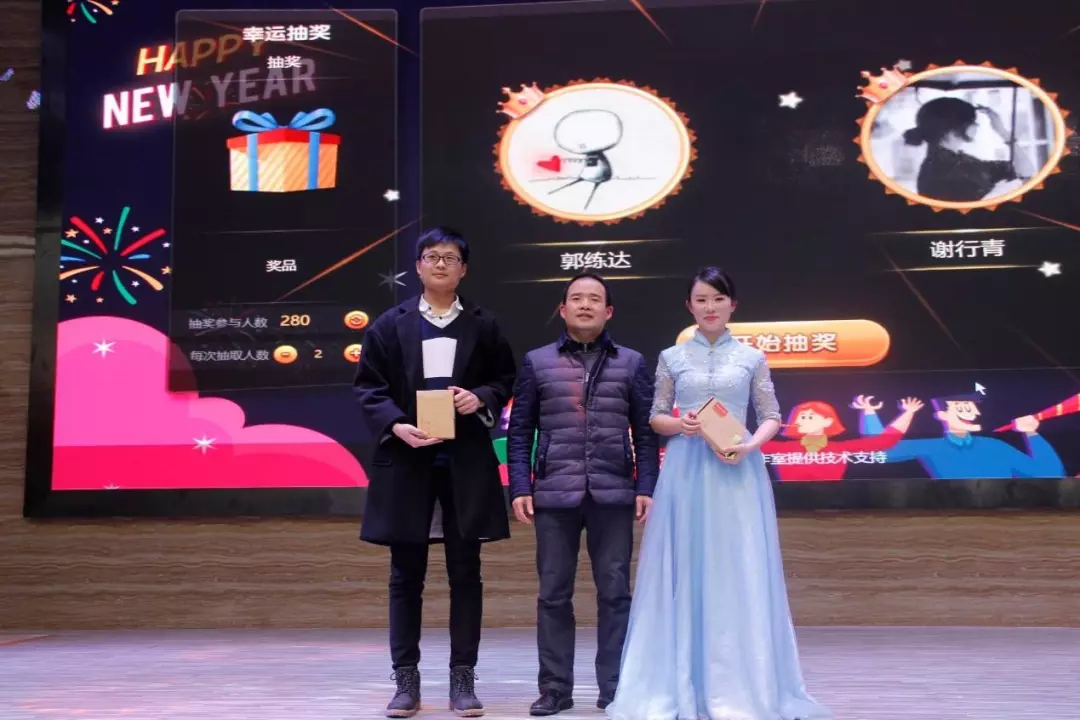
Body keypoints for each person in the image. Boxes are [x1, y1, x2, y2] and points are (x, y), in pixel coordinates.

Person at [606, 267, 832, 720]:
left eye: (718, 299)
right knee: (687, 564)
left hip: (737, 470)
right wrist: (681, 424)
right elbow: (654, 417)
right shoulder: (672, 357)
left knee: (739, 566)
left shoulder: (751, 358)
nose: (710, 307)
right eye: (701, 300)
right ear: (689, 307)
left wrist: (750, 444)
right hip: (686, 469)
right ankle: (680, 680)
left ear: (733, 305)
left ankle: (742, 685)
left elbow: (772, 415)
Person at [353, 227, 517, 718]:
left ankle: (463, 680)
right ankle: (406, 682)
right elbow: (368, 388)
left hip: (464, 463)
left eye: (450, 258)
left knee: (466, 574)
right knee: (406, 577)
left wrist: (479, 397)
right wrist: (396, 425)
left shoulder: (484, 325)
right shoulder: (389, 325)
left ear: (463, 269)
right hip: (408, 462)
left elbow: (504, 378)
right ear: (418, 267)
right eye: (432, 256)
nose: (441, 264)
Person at [507, 272, 659, 716]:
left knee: (615, 594)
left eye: (595, 299)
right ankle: (555, 688)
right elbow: (520, 431)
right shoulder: (538, 362)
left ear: (608, 311)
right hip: (555, 494)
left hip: (614, 493)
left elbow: (645, 433)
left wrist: (645, 485)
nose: (585, 305)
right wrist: (520, 486)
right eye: (577, 298)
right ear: (563, 309)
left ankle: (615, 687)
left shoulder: (631, 362)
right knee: (553, 594)